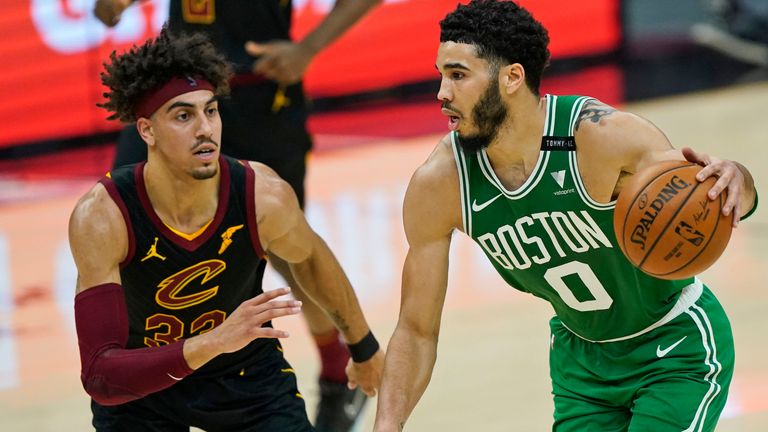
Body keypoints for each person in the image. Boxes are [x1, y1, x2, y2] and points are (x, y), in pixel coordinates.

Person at [373, 1, 758, 431]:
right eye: (441, 74)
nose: (442, 93)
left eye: (458, 75)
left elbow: (713, 196)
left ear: (512, 77)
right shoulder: (440, 184)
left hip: (673, 346)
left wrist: (736, 179)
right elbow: (415, 330)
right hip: (582, 365)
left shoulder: (602, 137)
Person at [69, 28, 383, 431]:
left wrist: (364, 346)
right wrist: (215, 341)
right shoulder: (104, 216)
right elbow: (101, 376)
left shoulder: (260, 195)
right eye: (184, 115)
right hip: (142, 390)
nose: (205, 129)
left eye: (211, 110)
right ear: (146, 130)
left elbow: (311, 260)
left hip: (245, 378)